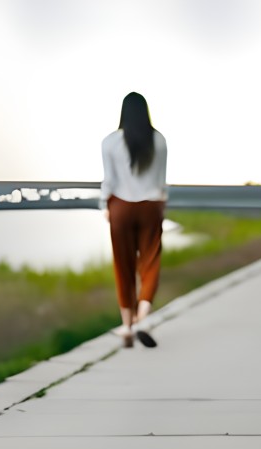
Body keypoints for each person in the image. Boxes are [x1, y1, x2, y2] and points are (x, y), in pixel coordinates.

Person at [101, 92, 167, 348]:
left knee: (123, 264)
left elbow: (109, 180)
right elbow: (162, 180)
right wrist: (162, 203)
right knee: (150, 261)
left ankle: (127, 325)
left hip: (121, 206)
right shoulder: (159, 140)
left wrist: (104, 206)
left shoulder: (110, 142)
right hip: (151, 206)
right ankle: (142, 317)